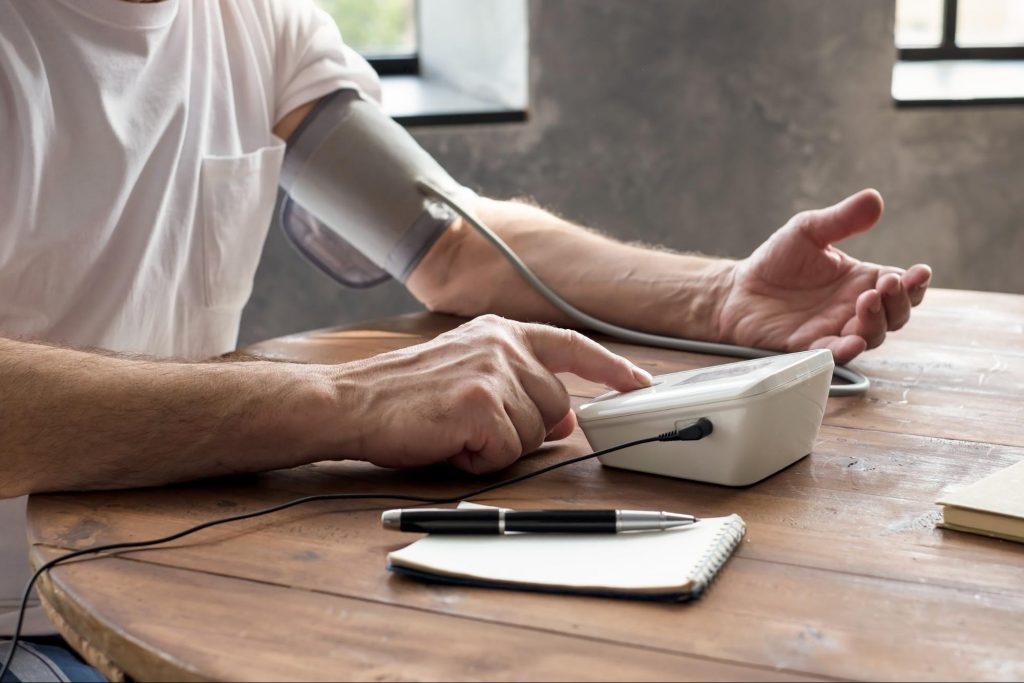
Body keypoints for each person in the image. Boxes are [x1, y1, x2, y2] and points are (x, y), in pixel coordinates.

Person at [0, 0, 931, 679]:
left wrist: (718, 295)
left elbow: (449, 242)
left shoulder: (251, 21)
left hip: (165, 581)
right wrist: (346, 403)